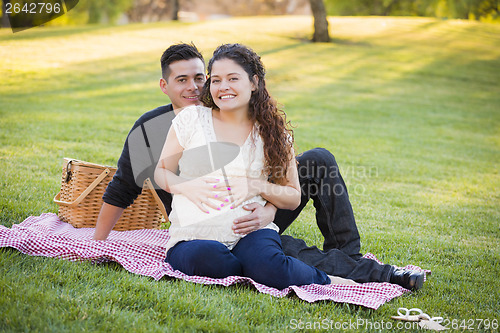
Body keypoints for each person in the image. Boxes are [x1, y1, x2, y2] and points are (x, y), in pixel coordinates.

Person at [94, 43, 424, 291]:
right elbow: (126, 184)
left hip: (254, 215)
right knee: (240, 257)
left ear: (253, 82)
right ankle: (285, 261)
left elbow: (290, 195)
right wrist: (97, 241)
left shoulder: (268, 129)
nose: (198, 88)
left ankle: (345, 259)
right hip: (200, 226)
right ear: (164, 85)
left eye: (201, 78)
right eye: (210, 80)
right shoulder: (160, 126)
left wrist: (266, 207)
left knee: (317, 165)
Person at [154, 43, 332, 289]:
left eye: (233, 78)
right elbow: (161, 172)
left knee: (271, 269)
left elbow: (292, 197)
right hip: (194, 236)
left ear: (254, 82)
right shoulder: (191, 119)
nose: (223, 87)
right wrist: (188, 187)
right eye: (215, 80)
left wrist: (255, 186)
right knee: (211, 260)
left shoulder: (272, 133)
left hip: (250, 232)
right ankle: (245, 266)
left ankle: (328, 279)